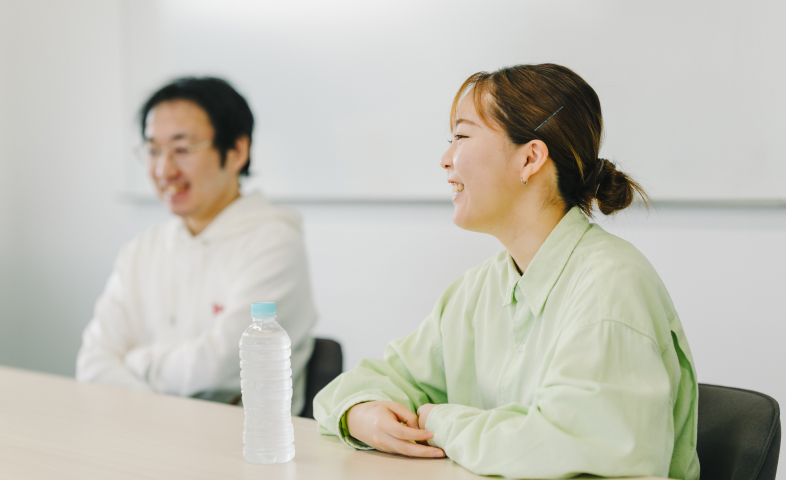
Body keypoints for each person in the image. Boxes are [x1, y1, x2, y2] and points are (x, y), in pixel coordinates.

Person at [313, 64, 699, 480]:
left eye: (461, 136)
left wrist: (438, 421)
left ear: (530, 158)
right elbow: (365, 383)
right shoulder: (477, 288)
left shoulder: (611, 285)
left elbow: (572, 450)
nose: (445, 160)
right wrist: (362, 413)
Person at [76, 77, 317, 415]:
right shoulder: (143, 249)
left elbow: (221, 369)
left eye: (182, 149)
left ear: (236, 152)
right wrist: (158, 403)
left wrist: (135, 362)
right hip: (142, 439)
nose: (164, 169)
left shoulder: (273, 242)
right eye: (153, 151)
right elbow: (93, 363)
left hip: (242, 451)